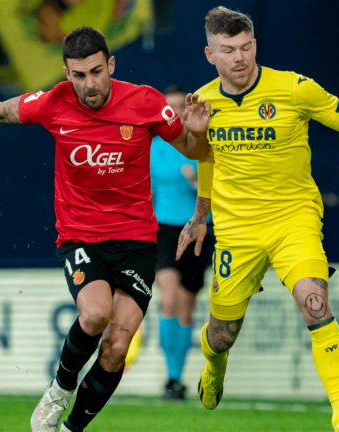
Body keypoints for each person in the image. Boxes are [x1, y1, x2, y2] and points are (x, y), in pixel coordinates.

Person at [0, 26, 211, 432]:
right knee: (95, 314)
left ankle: (72, 428)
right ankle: (59, 390)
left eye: (96, 72)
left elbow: (196, 152)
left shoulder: (145, 102)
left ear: (111, 64)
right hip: (81, 237)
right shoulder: (53, 103)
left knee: (116, 349)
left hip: (137, 242)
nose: (89, 85)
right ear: (66, 73)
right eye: (78, 75)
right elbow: (4, 108)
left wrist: (197, 133)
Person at [175, 8, 339, 432]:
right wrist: (200, 214)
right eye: (228, 50)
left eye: (245, 47)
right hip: (237, 231)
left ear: (255, 44)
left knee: (315, 303)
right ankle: (214, 368)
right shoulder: (204, 103)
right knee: (221, 334)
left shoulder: (295, 88)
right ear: (210, 54)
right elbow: (206, 158)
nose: (239, 58)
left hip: (294, 219)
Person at [150, 85, 215, 400]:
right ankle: (169, 376)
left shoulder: (202, 144)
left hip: (200, 227)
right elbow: (142, 191)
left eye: (179, 107)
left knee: (187, 308)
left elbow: (221, 185)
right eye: (169, 107)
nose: (173, 112)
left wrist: (198, 181)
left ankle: (176, 379)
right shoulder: (153, 146)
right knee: (169, 298)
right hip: (163, 228)